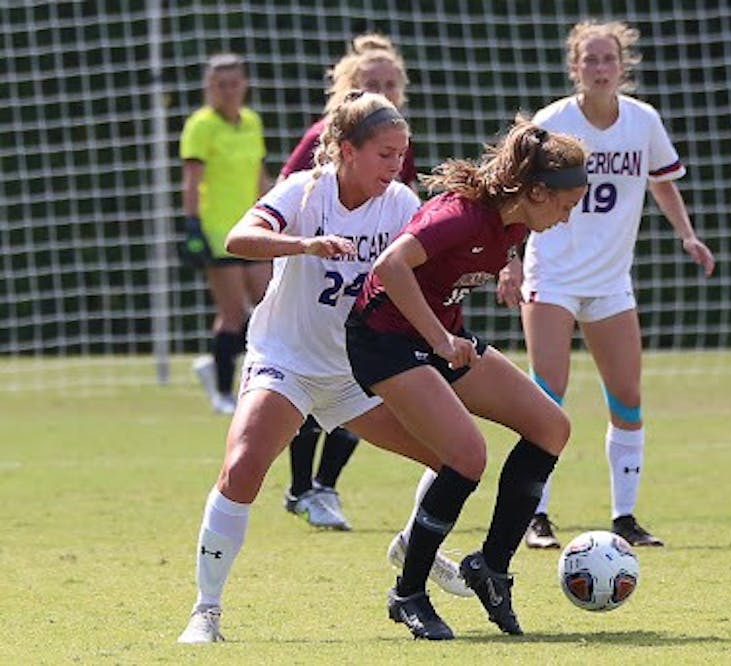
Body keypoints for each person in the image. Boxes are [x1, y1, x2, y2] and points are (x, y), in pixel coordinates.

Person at [177, 91, 468, 645]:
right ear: (347, 150)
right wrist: (304, 245)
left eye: (402, 154)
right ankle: (205, 612)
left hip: (357, 371)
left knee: (456, 460)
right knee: (242, 468)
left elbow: (441, 254)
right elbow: (240, 238)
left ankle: (412, 543)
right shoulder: (307, 190)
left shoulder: (402, 204)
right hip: (286, 360)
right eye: (385, 153)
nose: (396, 165)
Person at [346, 117, 588, 639]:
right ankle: (407, 594)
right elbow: (390, 266)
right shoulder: (458, 216)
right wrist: (437, 339)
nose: (567, 219)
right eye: (566, 207)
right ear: (538, 191)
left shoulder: (518, 219)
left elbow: (500, 243)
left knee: (551, 427)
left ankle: (492, 568)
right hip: (384, 342)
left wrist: (509, 266)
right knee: (467, 457)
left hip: (439, 338)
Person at [496, 20, 716, 550]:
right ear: (575, 67)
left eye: (607, 59)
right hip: (552, 273)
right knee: (547, 396)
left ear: (623, 66)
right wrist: (510, 261)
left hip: (610, 279)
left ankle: (625, 517)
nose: (599, 68)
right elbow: (510, 193)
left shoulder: (642, 121)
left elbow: (662, 183)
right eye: (589, 59)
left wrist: (687, 235)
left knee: (628, 396)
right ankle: (536, 516)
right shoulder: (553, 123)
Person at [277, 34, 416, 531]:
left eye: (388, 83)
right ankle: (301, 487)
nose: (380, 90)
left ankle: (323, 487)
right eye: (368, 83)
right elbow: (286, 198)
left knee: (367, 385)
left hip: (367, 293)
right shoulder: (323, 143)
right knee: (309, 390)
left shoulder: (398, 146)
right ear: (347, 88)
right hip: (314, 293)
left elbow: (410, 220)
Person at [180, 53, 273, 415]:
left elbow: (258, 175)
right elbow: (192, 181)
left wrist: (278, 209)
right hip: (218, 231)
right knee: (233, 312)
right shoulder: (201, 126)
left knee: (268, 307)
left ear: (244, 85)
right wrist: (192, 225)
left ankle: (217, 363)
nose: (229, 91)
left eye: (235, 83)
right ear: (210, 88)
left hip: (252, 227)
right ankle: (221, 391)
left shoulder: (251, 122)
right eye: (221, 85)